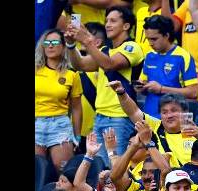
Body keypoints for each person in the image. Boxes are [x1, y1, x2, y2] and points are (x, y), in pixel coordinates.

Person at [65, 6, 145, 164]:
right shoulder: (103, 50)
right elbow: (80, 64)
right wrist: (71, 45)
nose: (108, 24)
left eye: (113, 21)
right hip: (100, 116)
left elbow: (109, 64)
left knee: (115, 166)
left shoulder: (132, 47)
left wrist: (87, 42)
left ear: (126, 26)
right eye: (106, 20)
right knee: (100, 167)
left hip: (120, 117)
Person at [35, 29, 82, 174]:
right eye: (47, 43)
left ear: (63, 46)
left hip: (60, 124)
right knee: (37, 170)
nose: (50, 46)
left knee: (64, 170)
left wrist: (77, 135)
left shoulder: (71, 74)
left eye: (55, 42)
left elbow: (76, 108)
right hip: (36, 122)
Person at [138, 15, 198, 118]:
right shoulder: (149, 55)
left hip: (173, 119)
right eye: (148, 39)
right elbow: (144, 85)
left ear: (166, 35)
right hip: (150, 117)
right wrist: (141, 87)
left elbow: (193, 92)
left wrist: (162, 89)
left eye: (154, 39)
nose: (150, 43)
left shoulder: (182, 56)